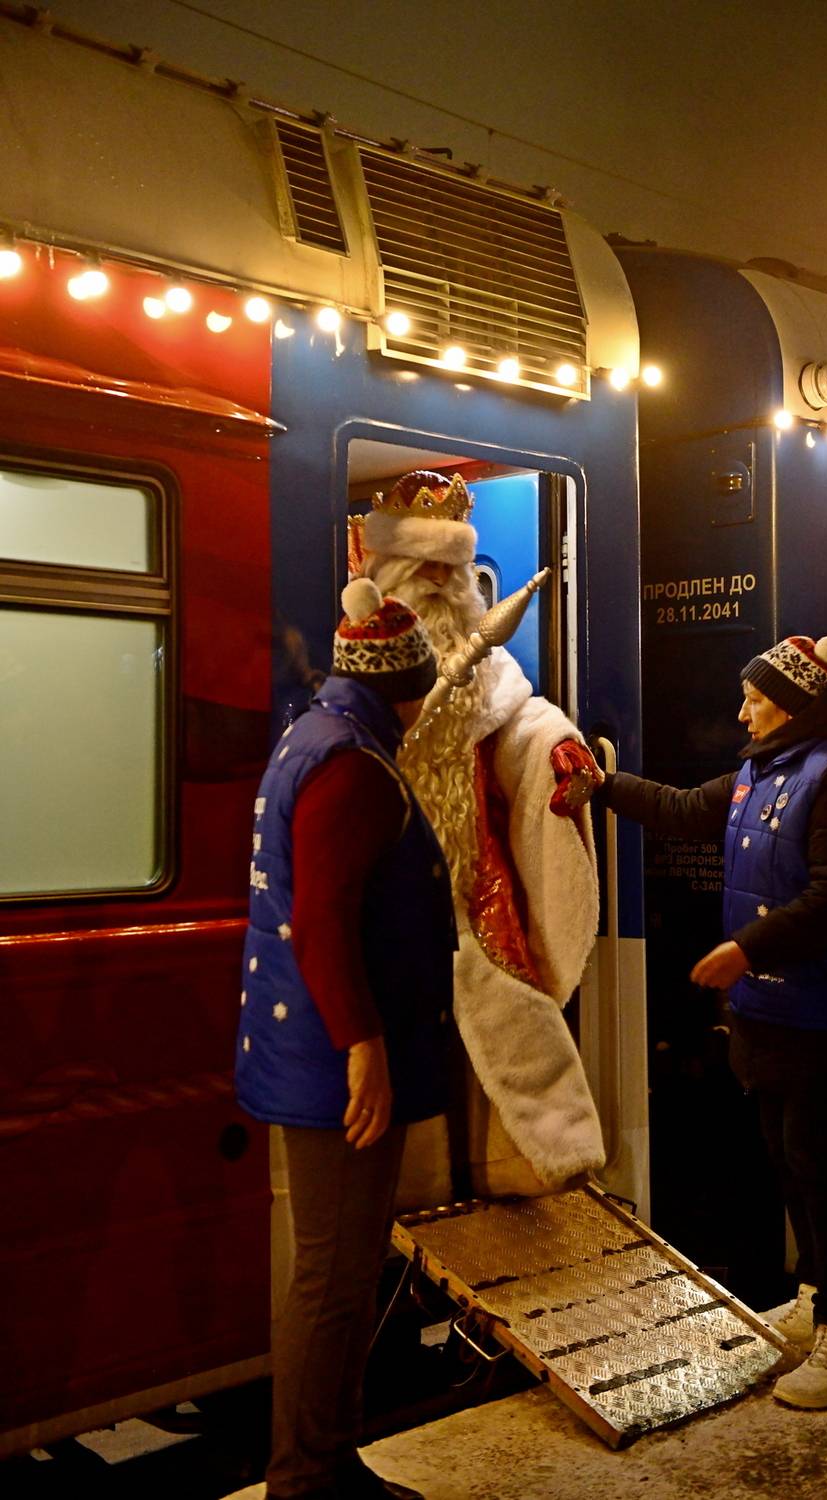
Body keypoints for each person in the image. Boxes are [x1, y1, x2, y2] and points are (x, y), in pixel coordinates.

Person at [596, 634, 827, 1410]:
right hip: (771, 1008)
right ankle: (816, 1298)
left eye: (756, 699)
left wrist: (744, 949)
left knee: (817, 1159)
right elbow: (683, 809)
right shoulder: (760, 772)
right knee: (786, 1155)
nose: (742, 712)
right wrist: (602, 785)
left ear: (793, 705)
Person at [235, 577, 454, 1500]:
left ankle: (328, 1464)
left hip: (309, 1048)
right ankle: (308, 1479)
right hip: (335, 1061)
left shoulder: (312, 735)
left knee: (337, 1271)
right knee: (335, 1277)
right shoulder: (355, 765)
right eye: (423, 688)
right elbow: (322, 921)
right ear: (403, 686)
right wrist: (365, 1047)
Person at [354, 469, 603, 1200]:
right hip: (390, 876)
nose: (439, 580)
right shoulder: (364, 658)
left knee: (507, 1004)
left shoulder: (483, 658)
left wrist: (560, 747)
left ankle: (521, 1165)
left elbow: (520, 719)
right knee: (404, 1023)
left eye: (451, 566)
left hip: (472, 873)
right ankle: (415, 1187)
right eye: (423, 565)